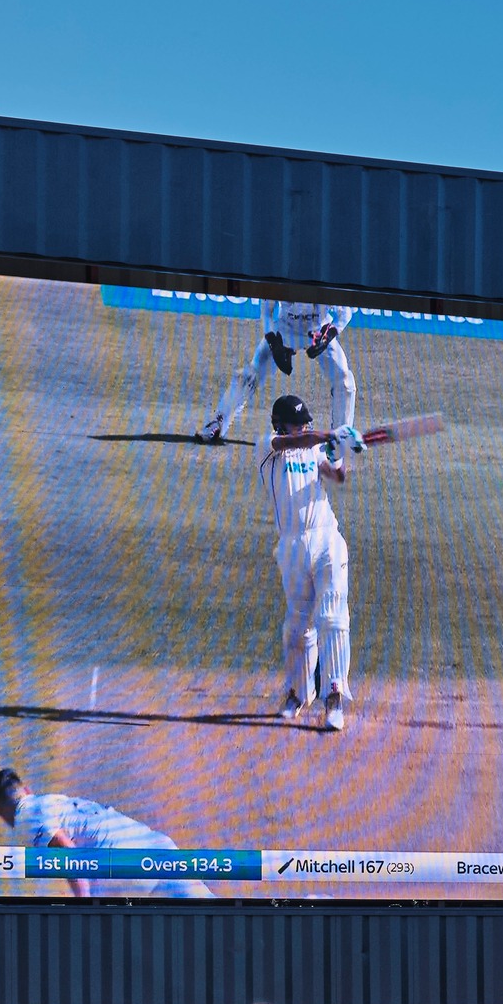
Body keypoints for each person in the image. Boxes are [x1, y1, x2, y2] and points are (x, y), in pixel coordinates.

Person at [259, 393, 362, 731]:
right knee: (298, 626)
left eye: (306, 422)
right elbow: (297, 441)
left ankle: (334, 698)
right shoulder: (267, 447)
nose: (303, 427)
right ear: (280, 425)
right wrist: (328, 434)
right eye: (297, 422)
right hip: (291, 546)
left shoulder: (314, 447)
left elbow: (338, 477)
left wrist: (337, 453)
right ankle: (298, 693)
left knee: (333, 618)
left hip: (326, 540)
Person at [0, 768, 211, 899]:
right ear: (28, 790)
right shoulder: (54, 800)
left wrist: (84, 904)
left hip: (128, 871)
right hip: (159, 849)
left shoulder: (25, 816)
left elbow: (68, 856)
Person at [198, 300, 358, 444]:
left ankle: (341, 438)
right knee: (249, 376)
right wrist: (274, 343)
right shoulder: (281, 272)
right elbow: (266, 312)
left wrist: (328, 335)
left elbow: (346, 313)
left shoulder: (325, 275)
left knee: (345, 381)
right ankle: (218, 421)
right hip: (284, 330)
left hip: (317, 331)